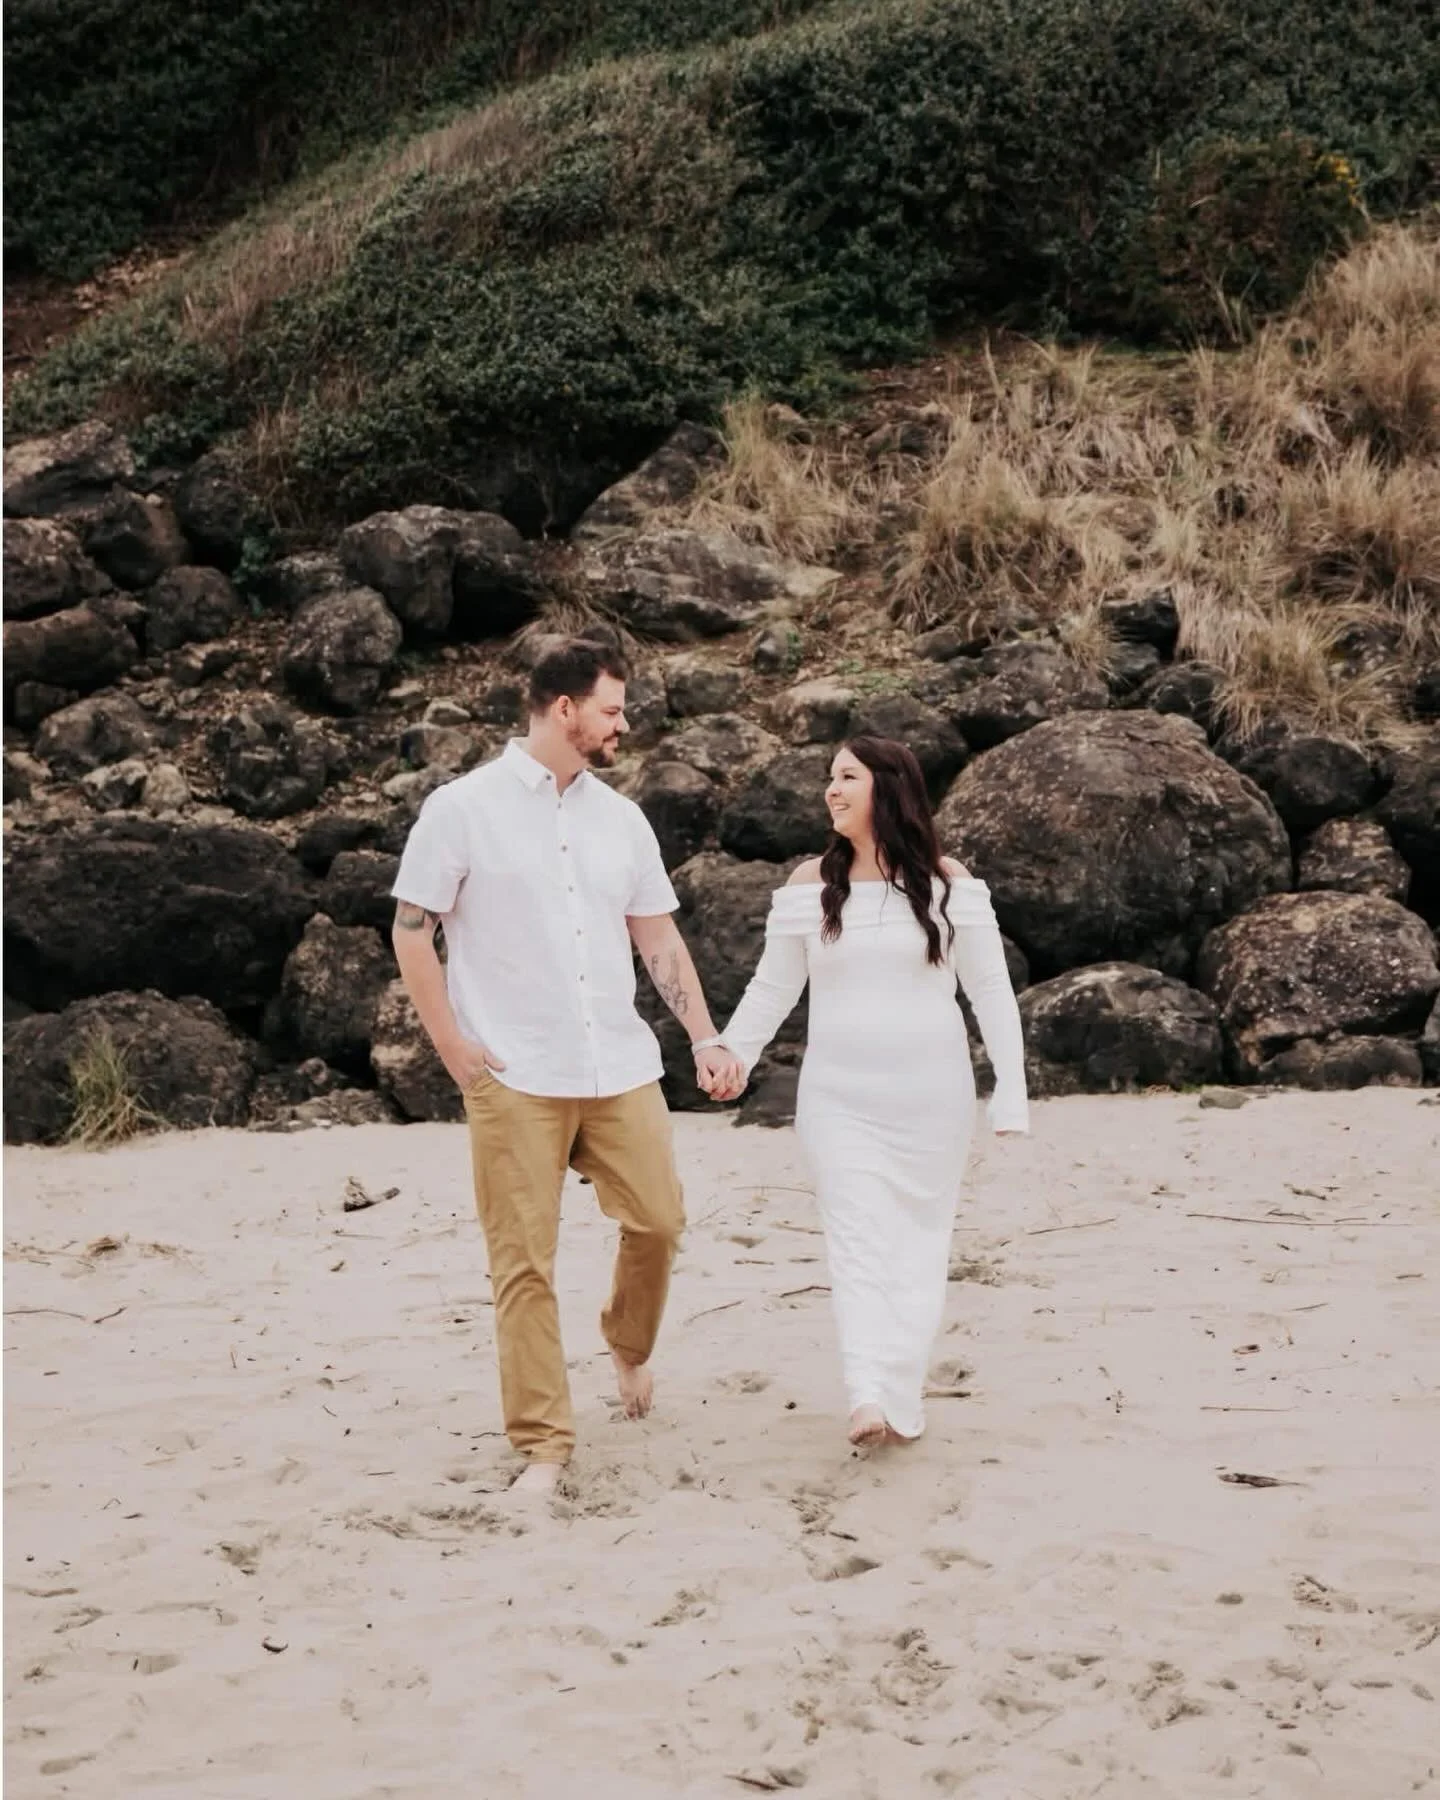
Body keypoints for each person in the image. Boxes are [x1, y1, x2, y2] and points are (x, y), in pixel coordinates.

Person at [389, 635, 745, 1494]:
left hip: (618, 1065)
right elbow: (411, 929)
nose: (625, 724)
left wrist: (703, 1036)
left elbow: (656, 935)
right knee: (523, 1266)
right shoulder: (461, 808)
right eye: (613, 710)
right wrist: (453, 1048)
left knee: (659, 1221)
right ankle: (544, 1449)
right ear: (564, 710)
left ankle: (628, 1345)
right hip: (514, 1073)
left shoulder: (620, 818)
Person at [709, 735, 1029, 1448]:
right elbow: (772, 988)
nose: (832, 789)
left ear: (890, 787)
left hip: (932, 1099)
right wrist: (734, 1049)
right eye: (829, 777)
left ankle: (898, 1394)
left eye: (847, 776)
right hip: (838, 1100)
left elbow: (990, 992)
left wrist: (1011, 1090)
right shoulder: (807, 888)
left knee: (917, 1244)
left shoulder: (948, 884)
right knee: (855, 1239)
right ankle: (865, 1395)